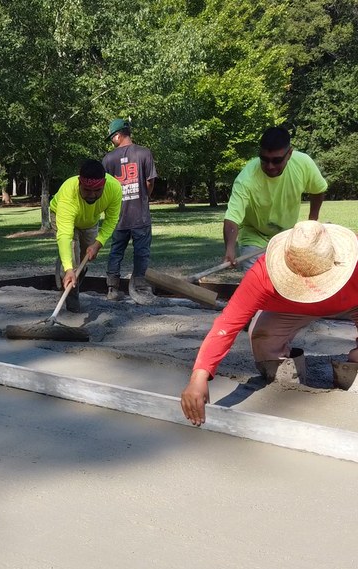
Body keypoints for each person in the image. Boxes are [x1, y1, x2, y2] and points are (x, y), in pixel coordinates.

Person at [181, 220, 358, 427]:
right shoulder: (262, 274)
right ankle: (285, 379)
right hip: (291, 307)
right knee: (262, 339)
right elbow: (226, 325)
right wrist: (199, 376)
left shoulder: (354, 262)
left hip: (352, 303)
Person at [224, 126, 327, 271]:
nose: (270, 166)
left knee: (290, 281)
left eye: (277, 160)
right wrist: (229, 249)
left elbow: (318, 190)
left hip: (288, 236)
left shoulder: (303, 163)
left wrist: (312, 220)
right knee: (257, 282)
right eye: (264, 160)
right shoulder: (246, 179)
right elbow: (232, 217)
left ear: (289, 153)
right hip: (255, 235)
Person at [50, 159, 123, 312]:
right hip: (62, 217)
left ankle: (69, 271)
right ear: (79, 183)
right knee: (73, 261)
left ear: (104, 184)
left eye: (97, 191)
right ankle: (72, 301)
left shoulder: (114, 188)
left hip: (89, 222)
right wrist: (70, 269)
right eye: (87, 190)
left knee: (85, 259)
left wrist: (98, 244)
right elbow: (65, 235)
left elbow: (111, 220)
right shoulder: (68, 193)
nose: (92, 195)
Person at [102, 118, 158, 302]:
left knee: (116, 251)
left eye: (112, 137)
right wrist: (143, 196)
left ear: (118, 135)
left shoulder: (108, 159)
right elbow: (149, 182)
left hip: (118, 216)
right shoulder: (144, 153)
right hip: (140, 214)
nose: (112, 140)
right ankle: (139, 288)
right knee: (141, 252)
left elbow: (104, 189)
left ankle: (112, 289)